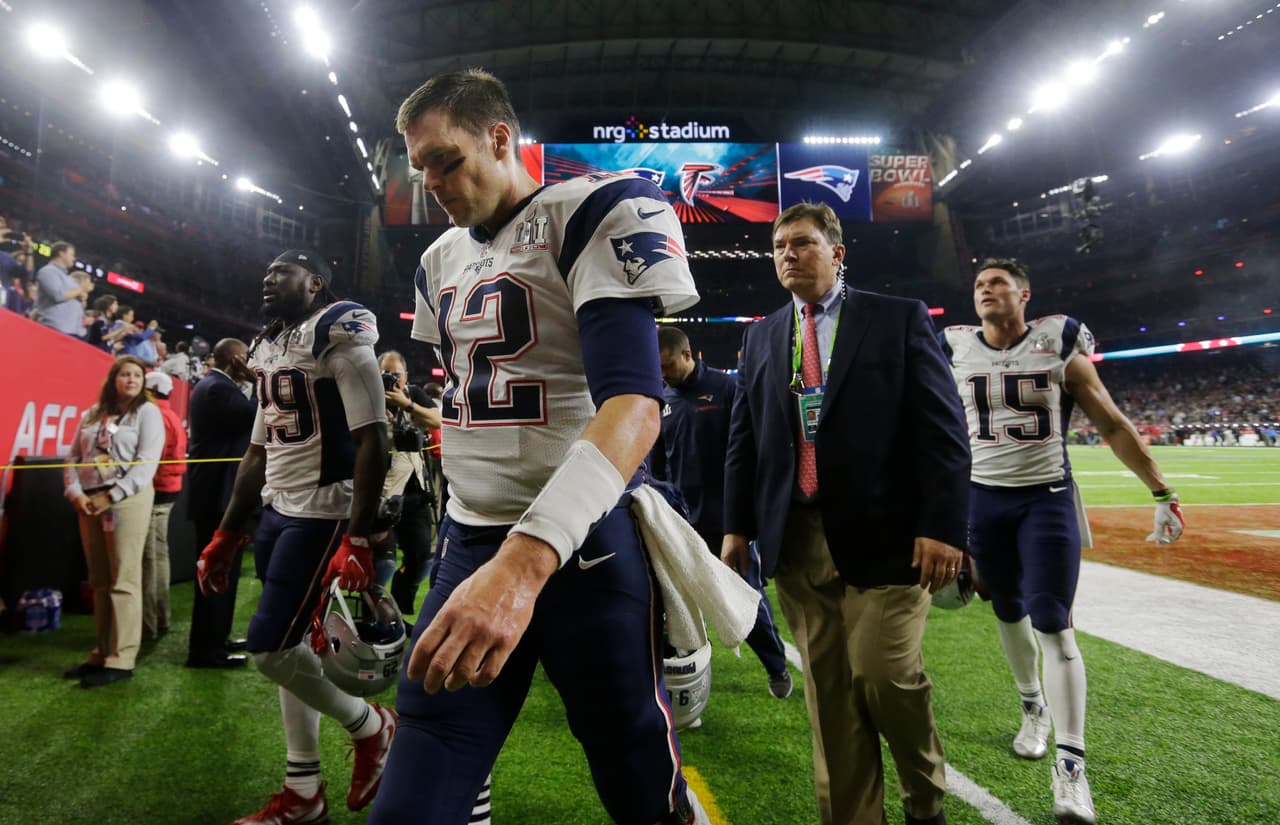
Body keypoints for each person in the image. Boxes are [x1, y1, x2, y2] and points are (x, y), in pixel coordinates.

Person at [372, 68, 708, 825]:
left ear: (500, 137)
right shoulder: (438, 263)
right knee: (416, 786)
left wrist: (521, 567)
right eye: (420, 166)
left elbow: (636, 406)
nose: (432, 183)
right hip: (469, 542)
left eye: (447, 159)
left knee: (635, 772)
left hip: (583, 550)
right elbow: (468, 404)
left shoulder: (593, 209)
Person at [722, 202, 970, 825]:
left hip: (888, 537)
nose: (788, 256)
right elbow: (744, 439)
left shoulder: (896, 319)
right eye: (779, 247)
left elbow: (943, 432)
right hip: (798, 540)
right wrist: (736, 528)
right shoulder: (761, 335)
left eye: (802, 244)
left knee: (885, 677)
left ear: (837, 252)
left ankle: (925, 798)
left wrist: (942, 526)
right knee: (829, 697)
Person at [940, 258, 1186, 825]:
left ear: (1025, 294)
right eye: (979, 284)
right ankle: (1033, 708)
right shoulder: (954, 347)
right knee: (1006, 610)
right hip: (983, 498)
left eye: (998, 282)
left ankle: (1071, 770)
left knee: (1052, 617)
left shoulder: (1059, 344)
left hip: (1045, 498)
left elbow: (1111, 422)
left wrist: (1160, 489)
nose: (986, 290)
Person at [194, 250, 394, 824]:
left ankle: (372, 725)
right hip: (278, 507)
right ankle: (303, 791)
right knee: (292, 647)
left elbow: (373, 437)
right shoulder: (270, 345)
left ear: (315, 282)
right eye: (266, 270)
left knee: (268, 648)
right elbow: (257, 450)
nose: (267, 277)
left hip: (321, 510)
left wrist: (357, 538)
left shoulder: (340, 328)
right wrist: (227, 534)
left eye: (281, 271)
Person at [650, 325, 792, 701]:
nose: (663, 373)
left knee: (746, 597)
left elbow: (749, 452)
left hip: (727, 522)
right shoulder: (660, 398)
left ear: (687, 355)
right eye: (657, 367)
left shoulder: (727, 390)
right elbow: (658, 464)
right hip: (680, 523)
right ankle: (679, 683)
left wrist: (743, 518)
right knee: (667, 606)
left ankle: (776, 666)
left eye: (668, 365)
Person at [62, 355, 165, 688]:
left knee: (124, 578)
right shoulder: (93, 413)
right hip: (89, 501)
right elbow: (72, 457)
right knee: (99, 581)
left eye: (137, 375)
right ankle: (101, 651)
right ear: (113, 378)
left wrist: (112, 495)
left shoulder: (148, 413)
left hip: (127, 499)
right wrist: (76, 493)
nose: (131, 379)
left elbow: (147, 463)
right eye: (124, 374)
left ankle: (122, 658)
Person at [185, 337, 258, 668]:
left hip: (219, 493)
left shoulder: (214, 386)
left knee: (223, 572)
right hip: (218, 496)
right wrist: (259, 383)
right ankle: (206, 650)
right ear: (236, 359)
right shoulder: (217, 389)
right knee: (216, 572)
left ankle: (217, 639)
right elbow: (258, 415)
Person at [372, 349, 441, 614]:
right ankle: (373, 618)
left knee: (422, 559)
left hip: (415, 493)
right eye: (385, 375)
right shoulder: (368, 396)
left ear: (406, 376)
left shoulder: (413, 394)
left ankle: (399, 613)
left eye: (396, 375)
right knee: (384, 564)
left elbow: (436, 419)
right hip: (382, 493)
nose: (391, 380)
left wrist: (405, 404)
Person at [140, 370, 187, 641]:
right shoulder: (167, 414)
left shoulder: (156, 415)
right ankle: (159, 618)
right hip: (166, 490)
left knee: (150, 559)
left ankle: (151, 622)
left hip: (156, 491)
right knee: (157, 556)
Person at [34, 241, 93, 336]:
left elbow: (77, 298)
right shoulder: (48, 271)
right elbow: (58, 296)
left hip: (69, 331)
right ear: (61, 253)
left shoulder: (67, 278)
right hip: (53, 328)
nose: (74, 258)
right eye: (71, 255)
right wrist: (80, 289)